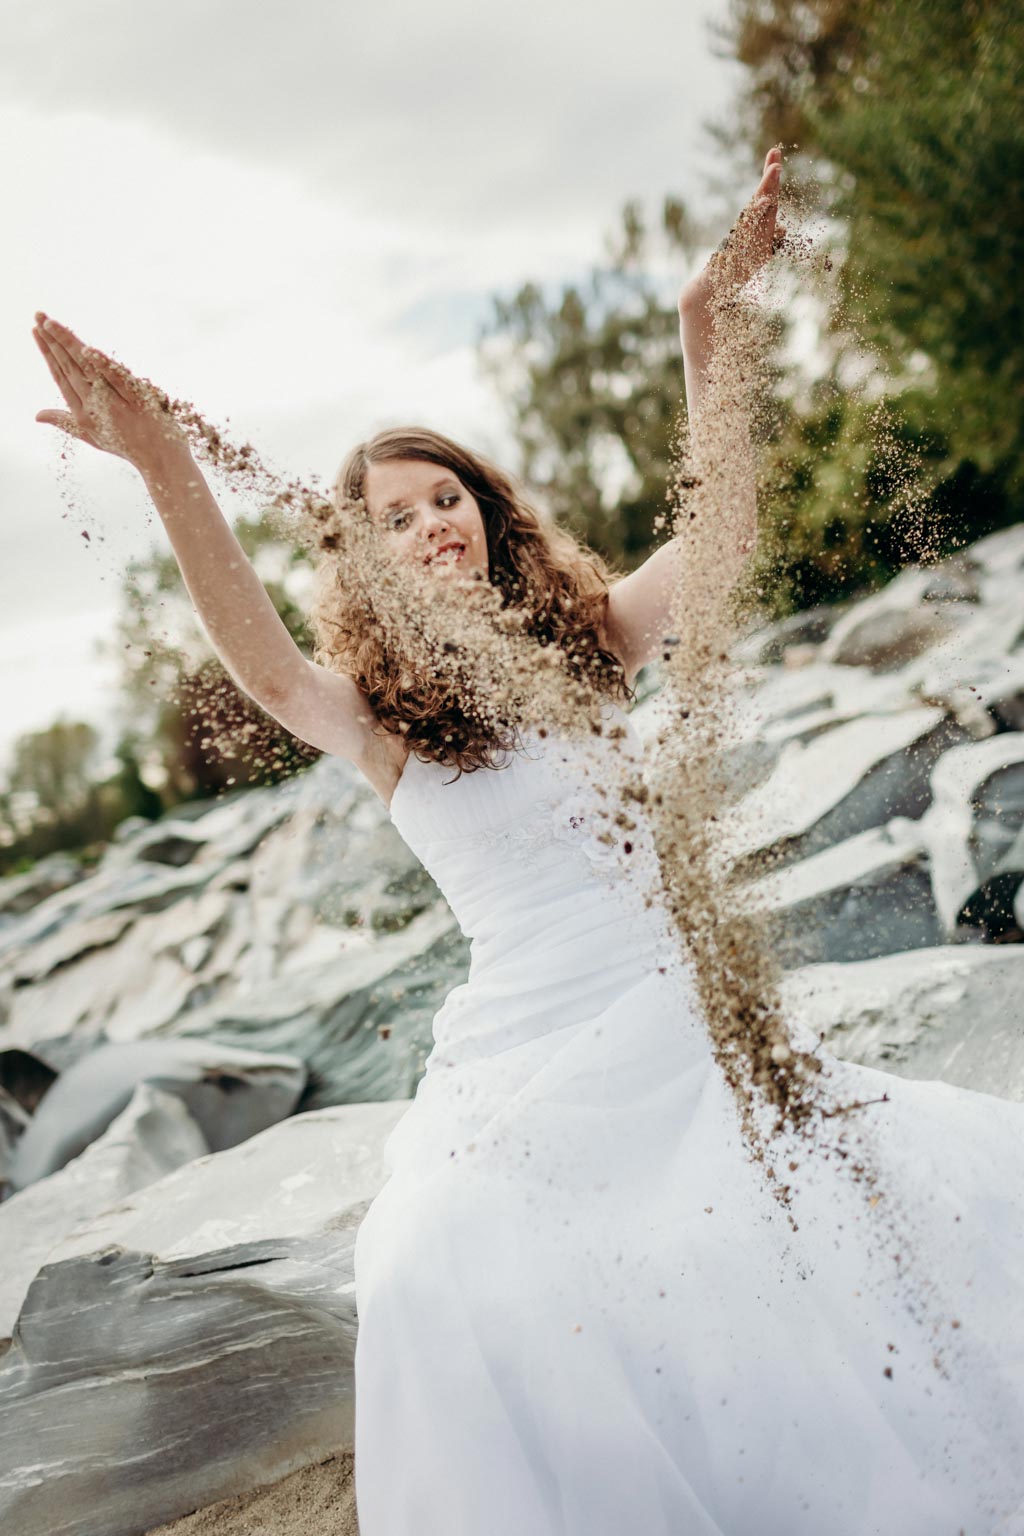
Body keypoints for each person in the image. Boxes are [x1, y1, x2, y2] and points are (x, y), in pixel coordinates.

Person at [31, 148, 1024, 1536]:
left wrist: (704, 330)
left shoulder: (595, 642)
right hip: (522, 1058)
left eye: (445, 498)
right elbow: (259, 667)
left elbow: (723, 532)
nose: (428, 524)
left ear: (487, 516)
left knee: (831, 1218)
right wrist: (163, 464)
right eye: (391, 517)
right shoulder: (376, 720)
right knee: (439, 1268)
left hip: (676, 1024)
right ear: (364, 559)